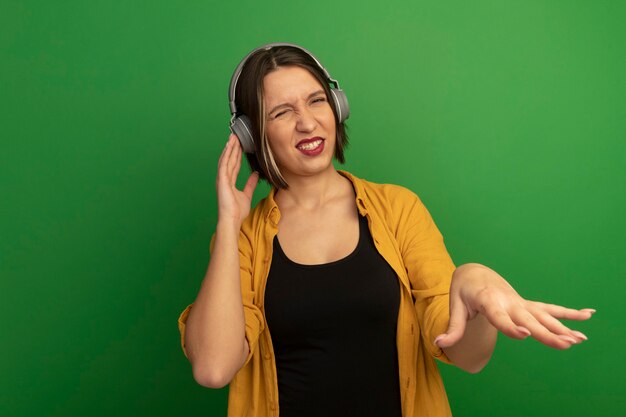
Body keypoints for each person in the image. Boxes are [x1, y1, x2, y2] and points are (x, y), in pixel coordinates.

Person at [177, 43, 594, 417]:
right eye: (282, 112)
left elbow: (467, 355)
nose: (307, 123)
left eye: (316, 101)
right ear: (251, 136)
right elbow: (214, 369)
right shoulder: (243, 238)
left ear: (337, 106)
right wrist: (229, 225)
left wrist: (473, 286)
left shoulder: (398, 209)